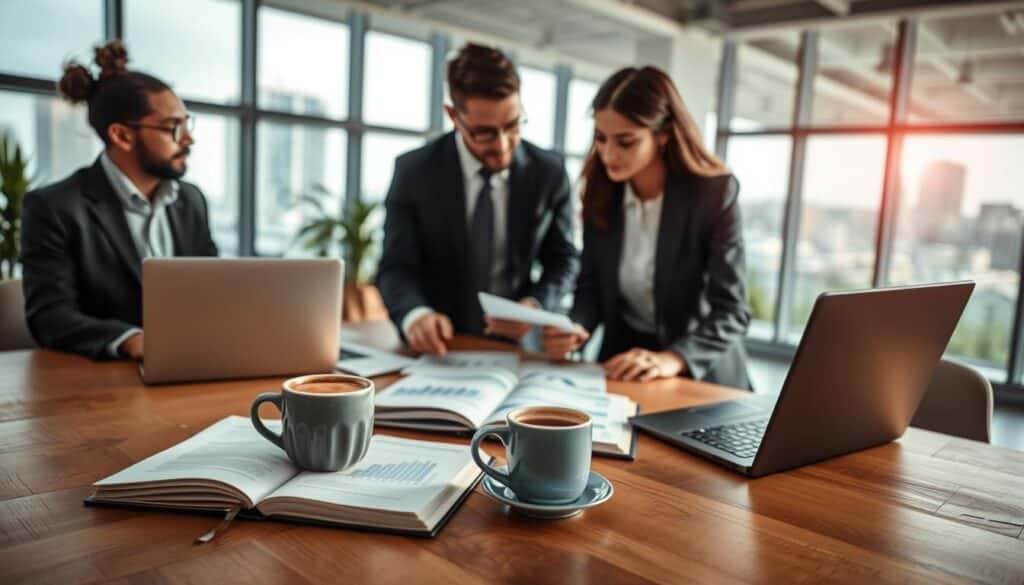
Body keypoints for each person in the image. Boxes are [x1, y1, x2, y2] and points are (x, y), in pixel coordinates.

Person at [542, 66, 752, 389]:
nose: (609, 154)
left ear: (663, 135)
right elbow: (591, 290)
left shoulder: (712, 194)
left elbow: (732, 310)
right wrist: (574, 328)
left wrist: (673, 358)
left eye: (625, 142)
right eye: (601, 138)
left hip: (699, 373)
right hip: (624, 364)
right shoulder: (600, 190)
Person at [20, 40, 218, 360]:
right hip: (103, 383)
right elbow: (49, 316)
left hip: (192, 365)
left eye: (186, 123)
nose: (188, 138)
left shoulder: (191, 201)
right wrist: (130, 339)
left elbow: (214, 289)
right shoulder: (53, 208)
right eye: (173, 128)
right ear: (122, 136)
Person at [377, 43, 578, 355]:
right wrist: (416, 315)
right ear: (453, 116)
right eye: (484, 132)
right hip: (440, 345)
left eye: (512, 126)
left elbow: (563, 260)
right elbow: (396, 266)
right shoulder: (414, 171)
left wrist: (535, 306)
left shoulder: (549, 172)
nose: (502, 146)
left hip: (520, 347)